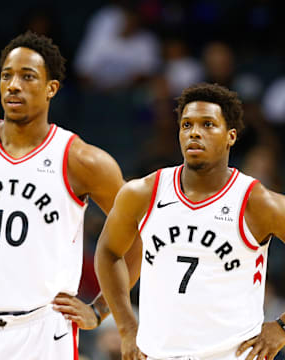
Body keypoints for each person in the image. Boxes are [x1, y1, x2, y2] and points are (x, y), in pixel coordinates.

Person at [0, 31, 141, 359]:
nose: (14, 85)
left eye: (27, 77)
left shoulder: (82, 160)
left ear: (51, 88)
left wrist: (100, 309)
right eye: (7, 76)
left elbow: (138, 231)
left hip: (44, 330)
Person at [95, 83, 285, 360]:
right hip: (157, 353)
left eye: (208, 124)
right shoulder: (143, 192)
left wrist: (281, 327)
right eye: (187, 125)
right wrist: (126, 326)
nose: (195, 132)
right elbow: (109, 252)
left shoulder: (258, 202)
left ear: (231, 136)